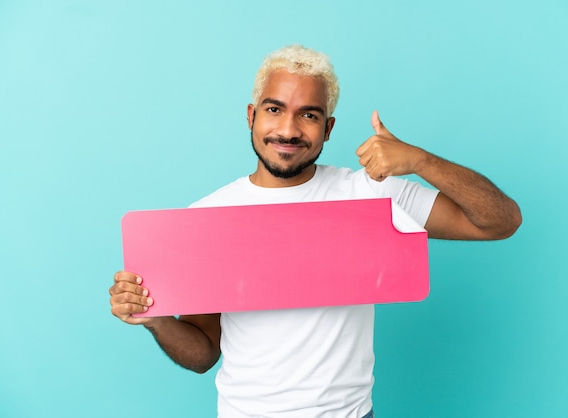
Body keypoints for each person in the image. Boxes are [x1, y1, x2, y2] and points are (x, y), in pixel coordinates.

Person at [109, 45, 521, 418]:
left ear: (328, 128)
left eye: (308, 114)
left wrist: (421, 161)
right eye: (274, 109)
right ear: (251, 116)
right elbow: (202, 353)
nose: (288, 130)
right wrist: (157, 320)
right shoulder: (208, 217)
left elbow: (499, 222)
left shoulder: (371, 193)